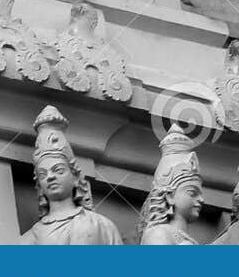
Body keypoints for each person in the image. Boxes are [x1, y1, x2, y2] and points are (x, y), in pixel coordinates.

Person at [21, 105, 124, 244]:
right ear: (39, 186)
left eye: (58, 170)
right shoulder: (30, 238)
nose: (50, 177)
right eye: (43, 174)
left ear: (75, 177)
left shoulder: (102, 225)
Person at [138, 123, 204, 245]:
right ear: (170, 196)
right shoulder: (158, 234)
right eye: (192, 192)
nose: (201, 199)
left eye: (199, 194)